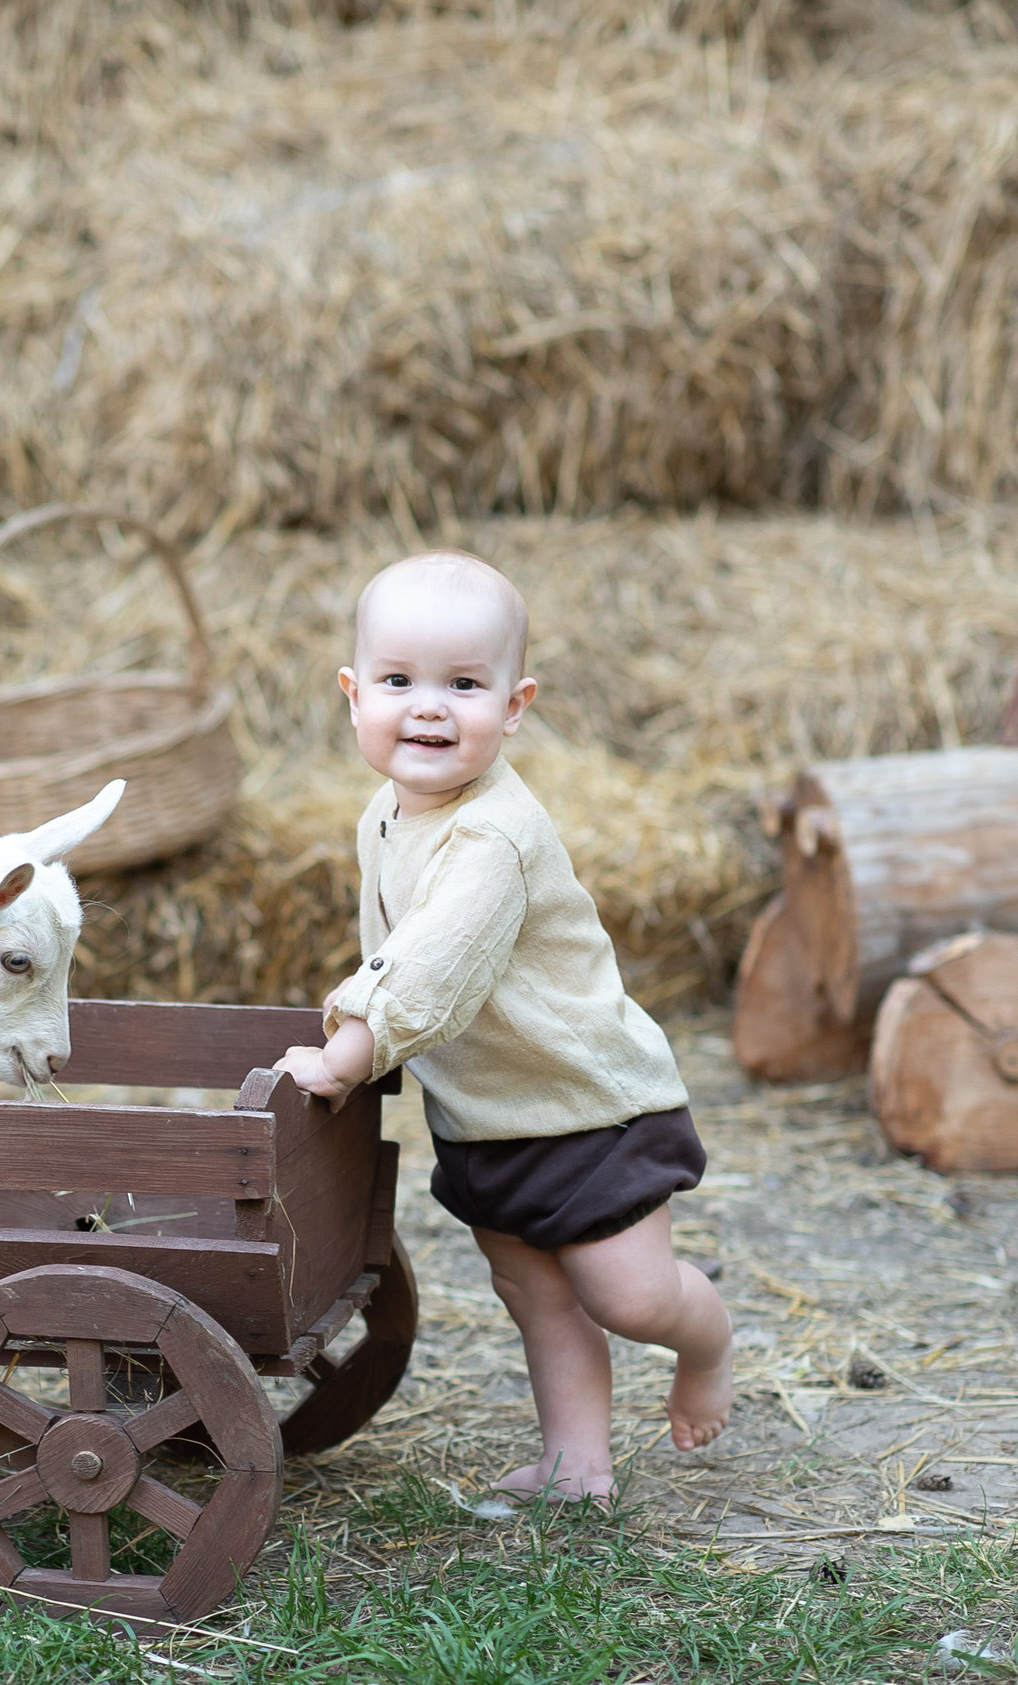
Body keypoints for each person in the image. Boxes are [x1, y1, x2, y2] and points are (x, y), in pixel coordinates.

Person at [273, 551, 731, 1504]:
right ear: (353, 696)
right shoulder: (387, 814)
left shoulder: (492, 837)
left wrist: (351, 1049)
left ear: (515, 706)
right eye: (400, 681)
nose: (430, 707)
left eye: (464, 685)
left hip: (588, 1100)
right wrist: (371, 1013)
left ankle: (706, 1343)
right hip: (489, 1110)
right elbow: (391, 944)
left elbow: (433, 967)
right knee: (533, 1290)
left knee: (628, 1295)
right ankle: (578, 1459)